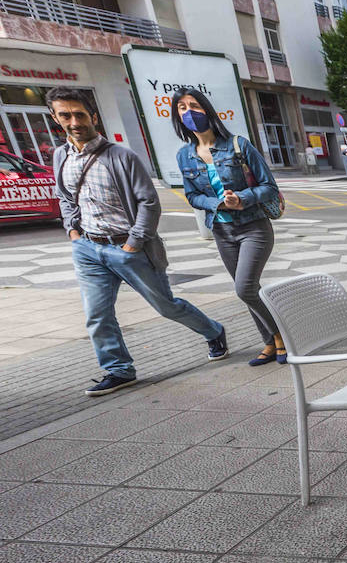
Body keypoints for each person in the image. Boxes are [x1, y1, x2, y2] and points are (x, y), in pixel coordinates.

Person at [49, 86, 227, 396]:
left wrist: (133, 242)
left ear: (93, 117)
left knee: (166, 306)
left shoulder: (121, 156)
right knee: (97, 314)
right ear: (55, 118)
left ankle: (214, 331)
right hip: (88, 248)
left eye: (79, 114)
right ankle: (118, 370)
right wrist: (73, 233)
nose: (74, 121)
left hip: (128, 248)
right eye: (65, 115)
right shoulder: (60, 156)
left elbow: (149, 202)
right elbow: (65, 198)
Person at [173, 87, 284, 367]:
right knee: (250, 290)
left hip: (253, 227)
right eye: (182, 108)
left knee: (244, 288)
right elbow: (191, 196)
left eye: (194, 106)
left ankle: (282, 335)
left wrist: (243, 199)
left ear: (207, 110)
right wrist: (216, 203)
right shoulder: (185, 156)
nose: (189, 112)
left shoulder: (238, 145)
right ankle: (269, 343)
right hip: (223, 231)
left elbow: (269, 187)